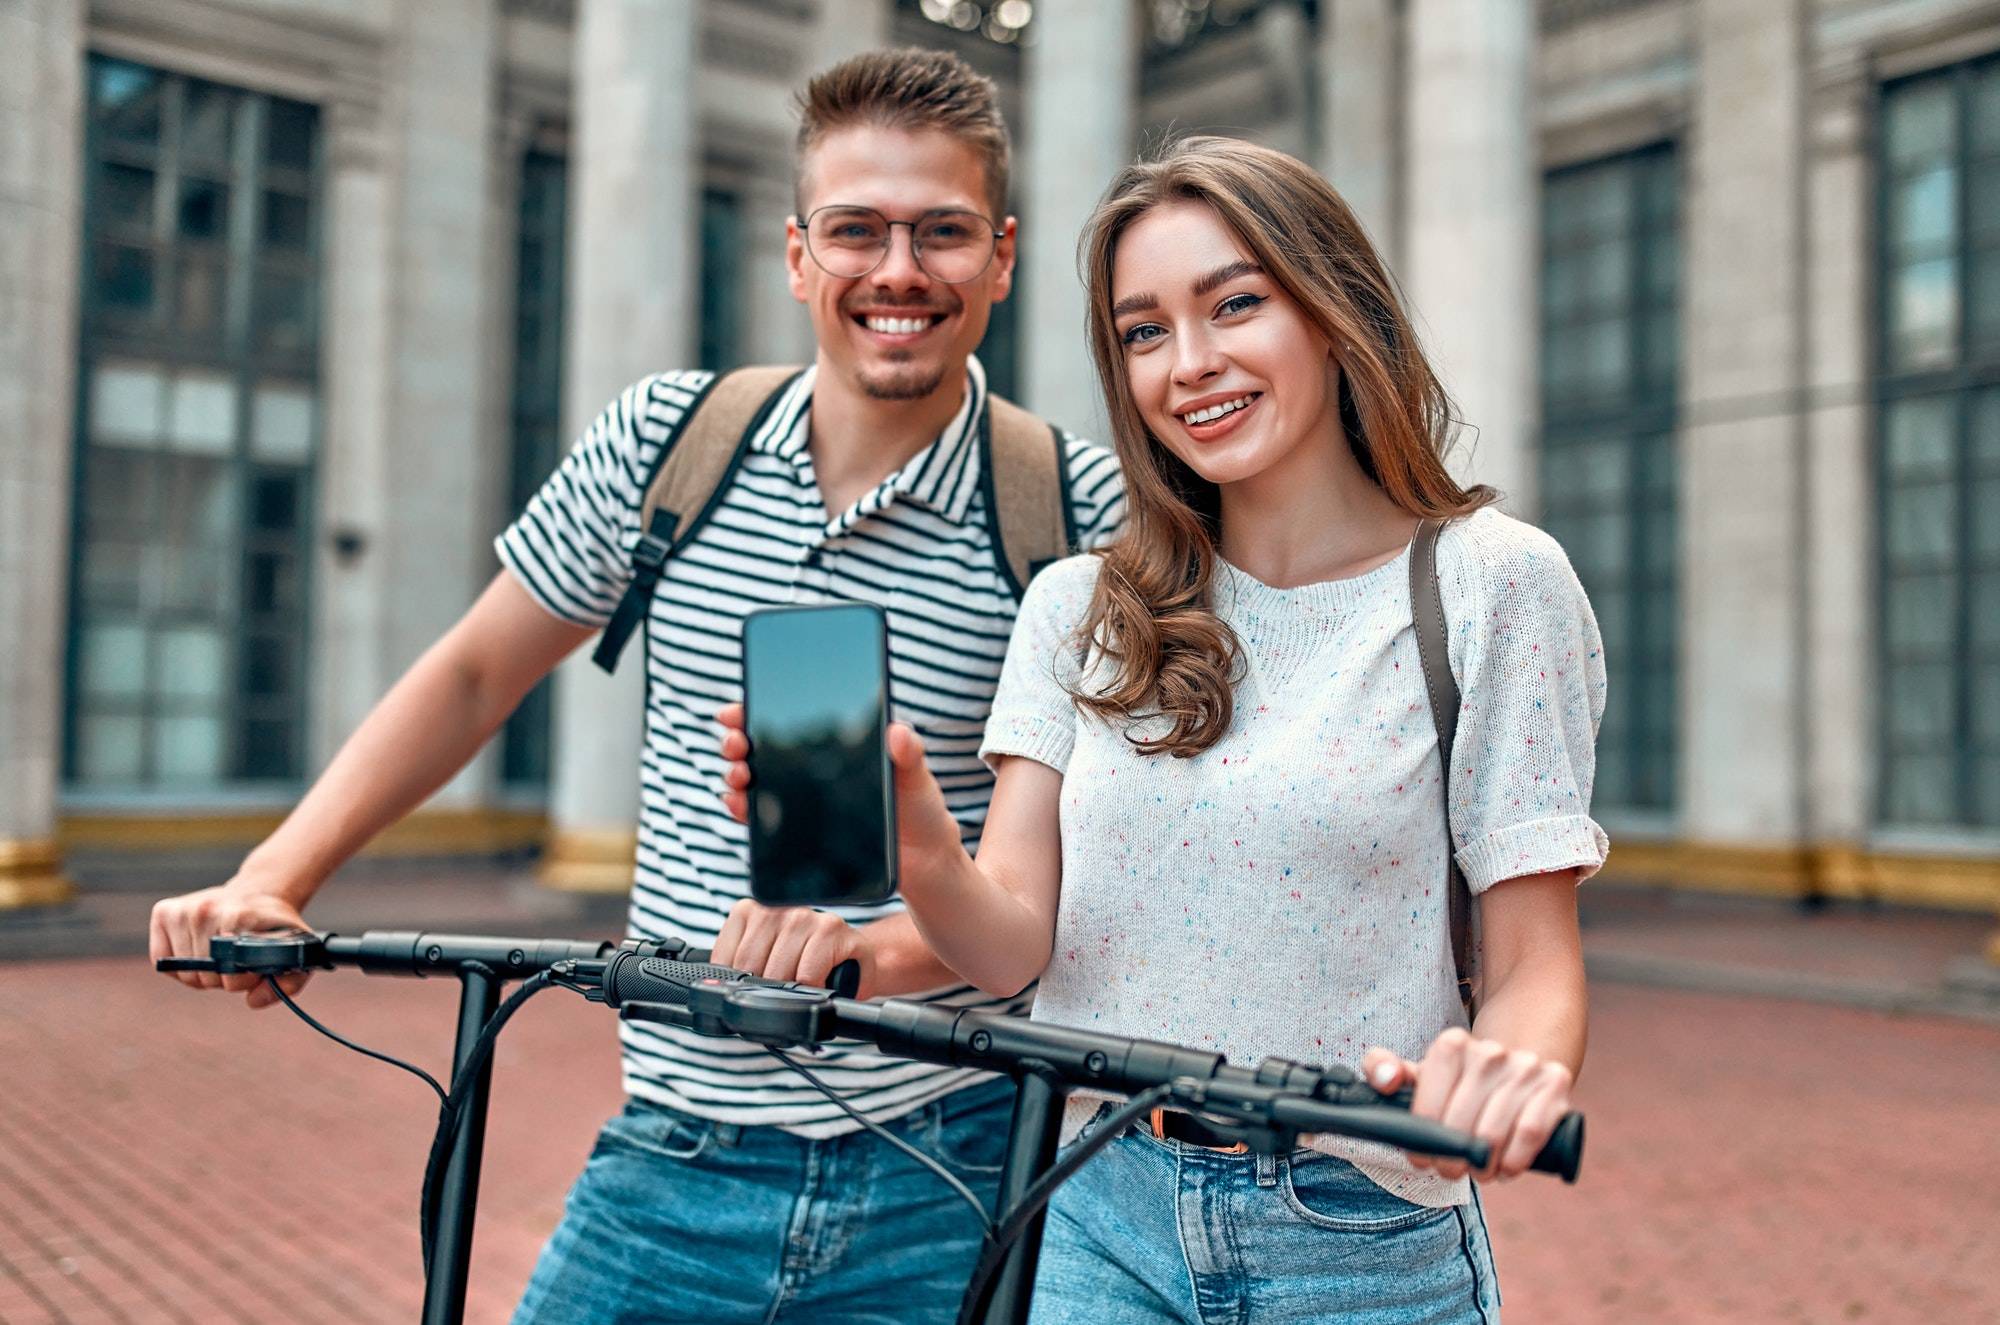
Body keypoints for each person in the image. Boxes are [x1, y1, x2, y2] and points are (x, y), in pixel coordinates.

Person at [150, 48, 1124, 1324]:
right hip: (676, 1151)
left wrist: (864, 955)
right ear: (794, 255)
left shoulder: (1074, 510)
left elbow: (1067, 875)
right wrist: (277, 874)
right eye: (855, 231)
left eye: (940, 232)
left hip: (951, 1154)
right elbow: (473, 670)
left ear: (999, 256)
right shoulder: (668, 445)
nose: (897, 271)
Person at [722, 136, 1607, 1323]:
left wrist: (1507, 1074)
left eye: (1232, 304)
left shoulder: (1494, 585)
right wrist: (922, 840)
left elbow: (1534, 962)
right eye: (1142, 332)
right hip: (1094, 1201)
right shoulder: (1078, 605)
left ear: (1333, 307)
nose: (1187, 365)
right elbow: (1010, 948)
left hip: (1356, 1228)